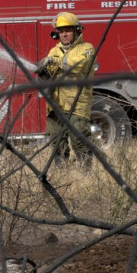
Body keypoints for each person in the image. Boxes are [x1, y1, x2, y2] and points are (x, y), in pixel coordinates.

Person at [35, 12, 96, 164]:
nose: (64, 34)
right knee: (57, 143)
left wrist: (55, 63)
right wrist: (42, 73)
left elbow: (78, 65)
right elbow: (49, 77)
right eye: (61, 31)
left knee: (79, 141)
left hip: (77, 104)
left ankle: (86, 177)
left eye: (67, 30)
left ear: (77, 30)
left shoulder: (86, 48)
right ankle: (62, 177)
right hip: (55, 104)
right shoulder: (54, 51)